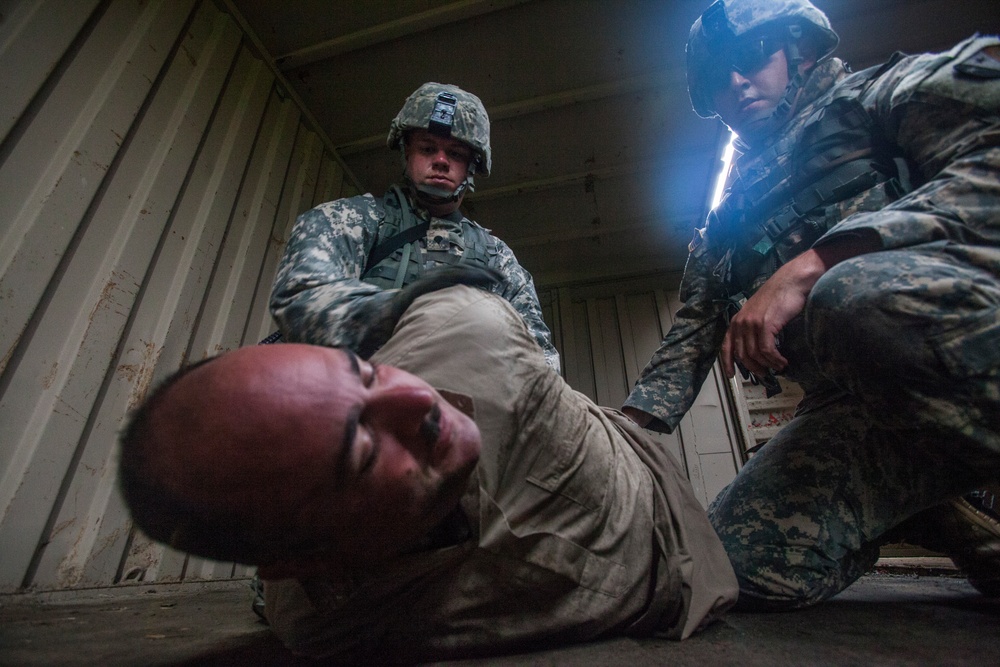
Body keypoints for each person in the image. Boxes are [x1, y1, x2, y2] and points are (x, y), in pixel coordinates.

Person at [118, 277, 737, 663]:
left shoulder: (478, 336)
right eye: (361, 450)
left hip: (675, 519)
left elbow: (449, 300)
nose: (420, 401)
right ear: (306, 562)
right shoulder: (328, 625)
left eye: (366, 371)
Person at [622, 0, 1000, 609]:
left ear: (798, 49)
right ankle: (932, 506)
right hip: (857, 413)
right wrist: (618, 430)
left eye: (750, 58)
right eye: (717, 77)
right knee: (735, 560)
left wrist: (816, 262)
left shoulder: (880, 96)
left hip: (969, 348)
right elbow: (689, 337)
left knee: (848, 299)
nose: (736, 83)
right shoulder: (727, 220)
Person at [269, 82, 559, 370]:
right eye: (428, 148)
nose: (441, 161)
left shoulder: (497, 258)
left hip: (453, 407)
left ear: (472, 166)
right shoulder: (348, 219)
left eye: (456, 153)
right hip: (349, 396)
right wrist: (397, 311)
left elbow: (540, 360)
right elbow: (301, 298)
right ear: (407, 153)